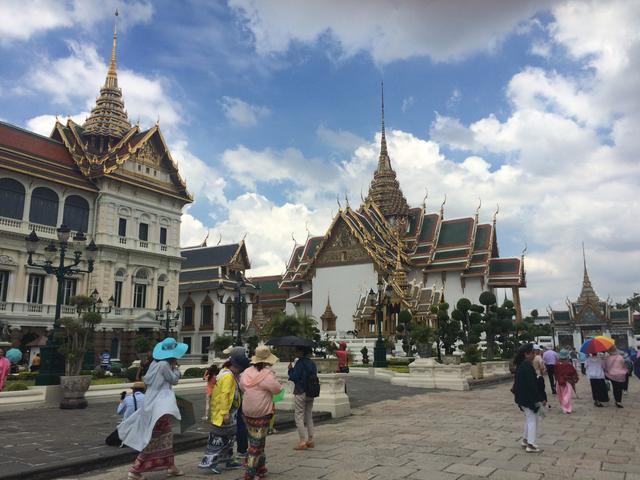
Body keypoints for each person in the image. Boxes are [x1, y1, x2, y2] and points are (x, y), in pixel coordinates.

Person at [118, 338, 187, 479]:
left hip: (152, 403)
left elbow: (148, 380)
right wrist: (176, 369)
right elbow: (174, 380)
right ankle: (136, 469)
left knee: (166, 435)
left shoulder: (155, 364)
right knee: (155, 437)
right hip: (160, 405)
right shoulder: (164, 365)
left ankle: (170, 465)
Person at [199, 348, 249, 474]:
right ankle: (211, 462)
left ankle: (228, 460)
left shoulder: (226, 373)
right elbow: (224, 395)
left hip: (229, 413)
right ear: (236, 366)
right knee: (218, 439)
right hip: (224, 413)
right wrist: (225, 412)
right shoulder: (228, 376)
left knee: (228, 438)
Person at [240, 345, 283, 480]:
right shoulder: (267, 374)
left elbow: (242, 387)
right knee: (257, 444)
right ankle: (250, 472)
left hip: (247, 410)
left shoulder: (246, 372)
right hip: (262, 411)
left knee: (255, 439)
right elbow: (277, 390)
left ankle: (260, 467)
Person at [513, 343, 543, 453]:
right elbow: (532, 385)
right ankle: (531, 444)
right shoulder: (526, 366)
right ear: (526, 354)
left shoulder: (521, 365)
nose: (534, 355)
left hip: (522, 397)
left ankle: (526, 440)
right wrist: (539, 398)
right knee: (532, 420)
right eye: (533, 353)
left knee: (529, 418)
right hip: (528, 397)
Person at [288, 346, 317, 450]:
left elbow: (294, 377)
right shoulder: (312, 363)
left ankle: (302, 441)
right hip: (311, 392)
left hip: (300, 391)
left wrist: (290, 370)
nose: (295, 352)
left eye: (297, 350)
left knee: (299, 416)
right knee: (309, 415)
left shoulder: (300, 363)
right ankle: (311, 439)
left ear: (301, 352)